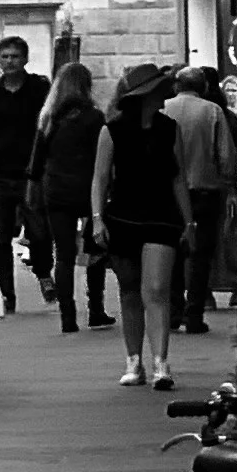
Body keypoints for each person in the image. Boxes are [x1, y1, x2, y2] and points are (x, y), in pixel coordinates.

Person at [92, 61, 185, 388]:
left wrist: (190, 222)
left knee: (156, 290)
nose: (167, 91)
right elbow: (100, 179)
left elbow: (178, 178)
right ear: (147, 93)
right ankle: (134, 361)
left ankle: (161, 363)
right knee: (130, 291)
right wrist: (96, 219)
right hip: (123, 216)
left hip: (162, 216)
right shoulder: (112, 130)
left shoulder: (170, 128)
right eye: (161, 87)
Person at [0, 33, 50, 321]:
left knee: (40, 230)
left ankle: (43, 272)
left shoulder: (39, 86)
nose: (9, 61)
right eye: (4, 56)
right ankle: (7, 294)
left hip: (32, 171)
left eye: (15, 56)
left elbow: (48, 123)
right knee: (0, 235)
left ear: (25, 59)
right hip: (2, 171)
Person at [32, 61, 107, 334]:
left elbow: (37, 159)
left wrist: (33, 189)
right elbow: (102, 156)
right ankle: (96, 309)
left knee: (63, 255)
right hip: (88, 190)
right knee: (96, 251)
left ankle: (67, 316)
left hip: (57, 191)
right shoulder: (94, 117)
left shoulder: (49, 117)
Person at [165, 63, 236, 335]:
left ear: (176, 86)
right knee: (200, 255)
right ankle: (194, 313)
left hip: (169, 193)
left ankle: (172, 311)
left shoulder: (163, 109)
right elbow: (226, 156)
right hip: (205, 191)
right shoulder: (212, 112)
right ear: (204, 87)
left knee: (170, 251)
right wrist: (227, 182)